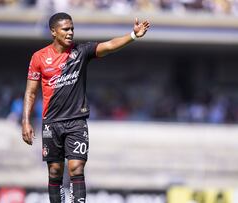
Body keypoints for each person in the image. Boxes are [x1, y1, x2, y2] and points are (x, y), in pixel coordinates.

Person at [21, 12, 150, 203]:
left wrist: (132, 36)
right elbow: (30, 93)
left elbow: (109, 46)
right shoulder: (39, 58)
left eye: (72, 28)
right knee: (55, 171)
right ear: (53, 32)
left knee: (76, 167)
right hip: (51, 123)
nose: (70, 32)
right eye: (66, 29)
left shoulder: (81, 51)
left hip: (76, 122)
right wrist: (26, 122)